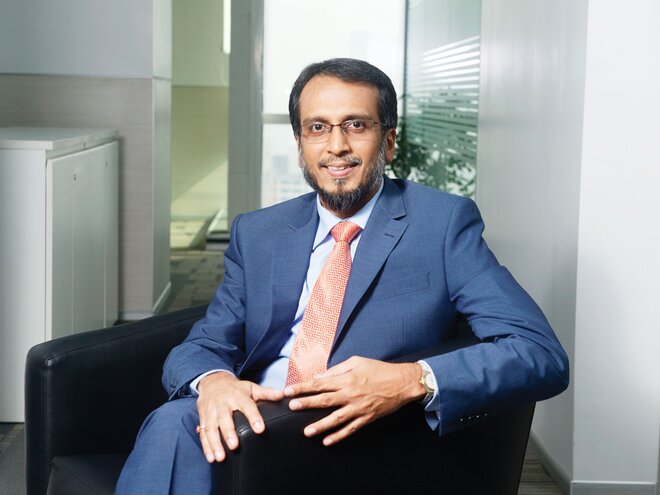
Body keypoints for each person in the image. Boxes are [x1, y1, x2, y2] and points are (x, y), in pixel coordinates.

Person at [116, 58, 569, 494]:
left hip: (361, 439)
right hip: (255, 420)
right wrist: (214, 382)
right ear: (300, 146)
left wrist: (411, 379)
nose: (336, 145)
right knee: (178, 422)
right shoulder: (258, 232)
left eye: (356, 124)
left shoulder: (442, 224)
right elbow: (205, 342)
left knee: (172, 429)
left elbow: (539, 353)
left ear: (388, 142)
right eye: (317, 128)